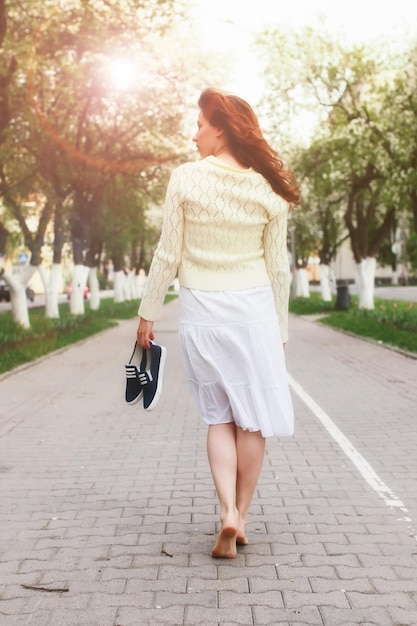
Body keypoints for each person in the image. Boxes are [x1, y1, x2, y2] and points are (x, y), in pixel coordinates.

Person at [136, 87, 300, 559]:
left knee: (218, 415)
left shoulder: (185, 179)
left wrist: (148, 311)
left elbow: (168, 252)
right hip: (253, 313)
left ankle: (226, 509)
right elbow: (277, 269)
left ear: (220, 129)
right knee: (253, 422)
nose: (194, 136)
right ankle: (242, 518)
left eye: (200, 126)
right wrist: (282, 330)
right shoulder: (268, 189)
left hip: (202, 311)